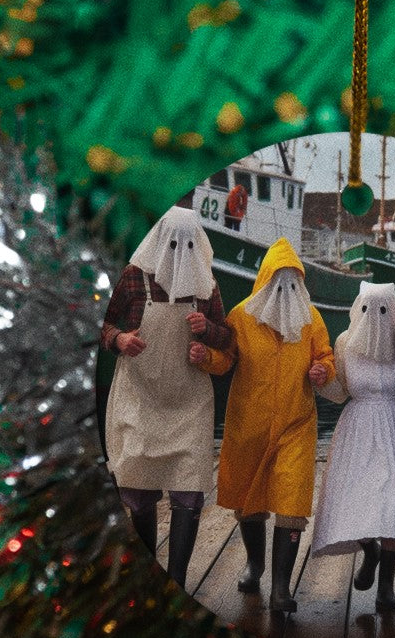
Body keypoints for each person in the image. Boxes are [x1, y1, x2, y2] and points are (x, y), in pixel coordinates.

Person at [191, 237, 335, 613]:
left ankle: (282, 588)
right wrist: (205, 355)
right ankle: (255, 565)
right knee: (249, 501)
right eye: (278, 280)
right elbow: (225, 361)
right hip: (248, 423)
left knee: (292, 502)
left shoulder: (312, 319)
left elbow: (325, 355)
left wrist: (323, 370)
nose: (285, 289)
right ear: (264, 281)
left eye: (292, 281)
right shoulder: (241, 316)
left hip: (296, 423)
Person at [101, 205, 231, 587]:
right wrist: (119, 339)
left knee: (189, 493)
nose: (180, 250)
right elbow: (103, 323)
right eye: (172, 242)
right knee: (137, 489)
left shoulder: (207, 285)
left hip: (189, 400)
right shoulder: (130, 278)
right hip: (139, 396)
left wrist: (206, 332)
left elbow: (228, 338)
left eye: (189, 242)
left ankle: (176, 578)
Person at [312, 282, 395, 612]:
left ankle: (386, 584)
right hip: (356, 430)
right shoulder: (344, 343)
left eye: (384, 310)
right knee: (352, 499)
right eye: (367, 308)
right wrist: (319, 380)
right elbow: (339, 390)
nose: (375, 317)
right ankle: (369, 552)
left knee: (394, 499)